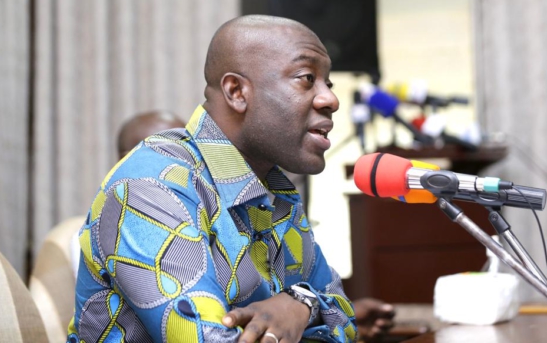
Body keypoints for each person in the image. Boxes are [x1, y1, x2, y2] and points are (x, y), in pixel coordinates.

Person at [69, 15, 359, 343]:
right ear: (236, 91)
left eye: (328, 84)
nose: (330, 99)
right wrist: (311, 309)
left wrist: (301, 303)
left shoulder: (275, 192)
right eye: (307, 78)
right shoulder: (150, 187)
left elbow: (346, 320)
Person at [111, 111, 398, 342]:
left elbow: (334, 313)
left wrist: (304, 305)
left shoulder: (257, 204)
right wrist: (308, 311)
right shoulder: (138, 203)